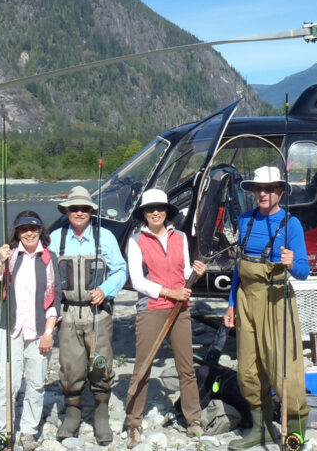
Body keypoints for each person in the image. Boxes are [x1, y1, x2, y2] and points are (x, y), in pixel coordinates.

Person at [223, 166, 310, 450]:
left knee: (285, 370)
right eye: (259, 189)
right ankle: (261, 430)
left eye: (270, 188)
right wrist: (232, 304)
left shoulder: (291, 224)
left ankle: (294, 435)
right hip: (247, 300)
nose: (263, 193)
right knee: (248, 368)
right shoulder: (245, 220)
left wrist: (290, 263)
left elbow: (303, 272)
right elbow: (239, 269)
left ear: (280, 192)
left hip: (277, 301)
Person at [123, 189, 206, 448]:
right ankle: (134, 422)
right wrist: (169, 292)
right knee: (143, 365)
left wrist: (196, 272)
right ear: (144, 214)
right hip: (151, 307)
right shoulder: (136, 240)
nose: (155, 212)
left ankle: (194, 420)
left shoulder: (180, 237)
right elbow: (137, 281)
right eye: (150, 209)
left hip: (180, 308)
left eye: (160, 208)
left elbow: (184, 270)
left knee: (186, 367)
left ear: (167, 211)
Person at [47, 186, 127, 445]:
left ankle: (101, 411)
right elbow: (46, 275)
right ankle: (73, 412)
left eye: (84, 209)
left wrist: (106, 290)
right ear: (67, 212)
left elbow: (120, 270)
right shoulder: (55, 238)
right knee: (70, 366)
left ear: (91, 212)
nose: (79, 213)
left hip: (98, 313)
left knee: (101, 363)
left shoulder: (105, 237)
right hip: (68, 313)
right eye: (74, 209)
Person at [0, 210, 63, 449]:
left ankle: (28, 430)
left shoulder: (50, 258)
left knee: (36, 383)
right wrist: (0, 260)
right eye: (23, 229)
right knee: (7, 384)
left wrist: (48, 333)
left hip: (39, 330)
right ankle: (3, 431)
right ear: (17, 232)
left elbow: (55, 298)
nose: (29, 233)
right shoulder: (9, 256)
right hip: (8, 329)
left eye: (33, 228)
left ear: (41, 231)